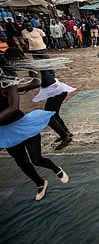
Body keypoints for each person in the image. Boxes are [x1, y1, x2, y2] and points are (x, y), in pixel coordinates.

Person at [0, 56, 69, 201]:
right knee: (22, 163)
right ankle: (40, 183)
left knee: (36, 159)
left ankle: (55, 168)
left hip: (24, 127)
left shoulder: (8, 84)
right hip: (6, 132)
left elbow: (13, 107)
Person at [4, 47, 75, 150]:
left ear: (17, 57)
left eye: (11, 60)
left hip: (55, 91)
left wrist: (17, 90)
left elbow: (37, 83)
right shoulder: (30, 63)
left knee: (49, 117)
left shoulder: (31, 64)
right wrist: (24, 89)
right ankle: (66, 133)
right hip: (55, 89)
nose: (11, 62)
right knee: (53, 114)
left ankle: (65, 137)